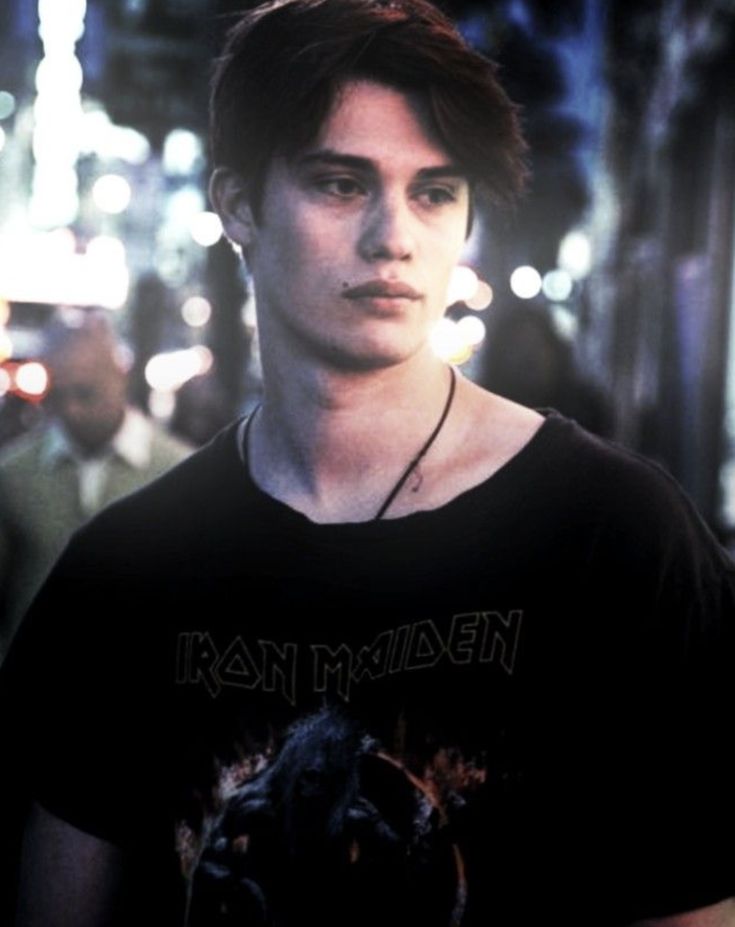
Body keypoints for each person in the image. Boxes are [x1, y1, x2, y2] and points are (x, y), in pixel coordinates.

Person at [1, 1, 733, 925]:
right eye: (342, 183)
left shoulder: (617, 539)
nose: (395, 234)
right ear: (236, 205)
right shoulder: (124, 573)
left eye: (434, 190)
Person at [0, 313, 192, 658]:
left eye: (85, 393)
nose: (71, 410)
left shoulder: (181, 472)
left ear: (120, 379)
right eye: (57, 396)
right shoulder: (12, 476)